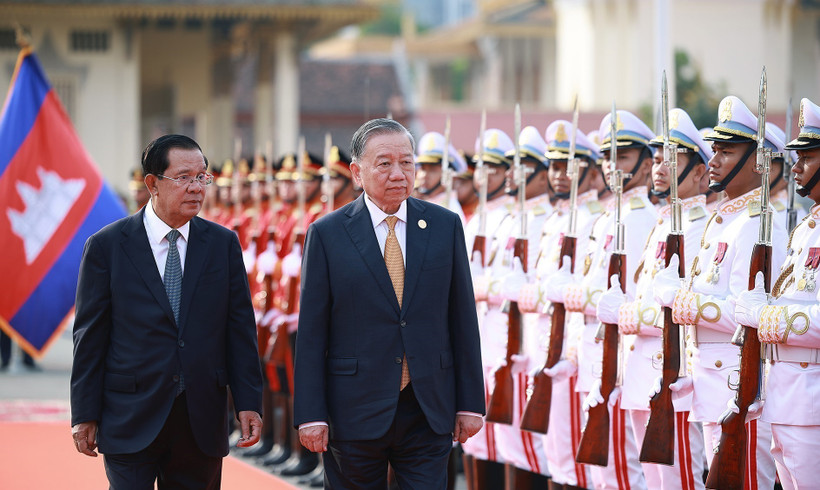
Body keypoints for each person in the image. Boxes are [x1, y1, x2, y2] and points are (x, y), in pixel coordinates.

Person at [293, 118, 485, 488]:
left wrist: (470, 402)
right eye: (384, 163)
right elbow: (313, 333)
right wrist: (310, 413)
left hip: (427, 405)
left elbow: (462, 318)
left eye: (407, 162)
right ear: (357, 172)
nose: (398, 173)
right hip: (354, 407)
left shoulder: (444, 225)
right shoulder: (328, 234)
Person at [70, 134, 264, 489]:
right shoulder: (107, 246)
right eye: (183, 177)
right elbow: (90, 337)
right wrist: (84, 413)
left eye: (202, 177)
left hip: (200, 416)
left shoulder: (222, 244)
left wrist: (249, 402)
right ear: (152, 183)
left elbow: (239, 330)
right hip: (129, 413)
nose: (196, 187)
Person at [653, 95, 784, 489]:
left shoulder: (758, 224)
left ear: (757, 162)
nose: (714, 160)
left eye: (726, 152)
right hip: (712, 385)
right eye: (715, 150)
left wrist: (683, 301)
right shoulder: (725, 221)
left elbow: (750, 313)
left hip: (739, 386)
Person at [598, 108, 711, 489]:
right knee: (654, 480)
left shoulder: (698, 228)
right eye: (658, 159)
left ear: (699, 171)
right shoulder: (664, 223)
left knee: (680, 480)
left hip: (673, 375)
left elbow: (679, 310)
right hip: (643, 371)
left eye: (671, 160)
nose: (660, 168)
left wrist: (624, 314)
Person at [733, 97, 820, 490]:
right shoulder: (805, 230)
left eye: (808, 158)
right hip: (784, 396)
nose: (796, 167)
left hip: (810, 399)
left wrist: (764, 316)